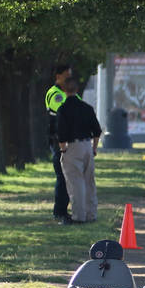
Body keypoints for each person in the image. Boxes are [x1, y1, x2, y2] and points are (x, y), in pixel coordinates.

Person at [56, 76, 103, 224]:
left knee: (76, 182)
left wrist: (63, 150)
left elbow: (61, 133)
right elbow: (97, 130)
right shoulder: (87, 108)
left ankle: (78, 216)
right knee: (89, 181)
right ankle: (91, 214)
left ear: (64, 90)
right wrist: (94, 148)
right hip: (87, 146)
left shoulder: (63, 109)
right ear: (77, 89)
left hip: (72, 147)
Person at [45, 63, 75, 224]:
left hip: (73, 141)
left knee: (71, 177)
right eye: (67, 75)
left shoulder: (70, 94)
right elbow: (65, 113)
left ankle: (67, 210)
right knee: (62, 177)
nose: (69, 78)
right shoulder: (55, 94)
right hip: (58, 140)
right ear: (58, 76)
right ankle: (60, 212)